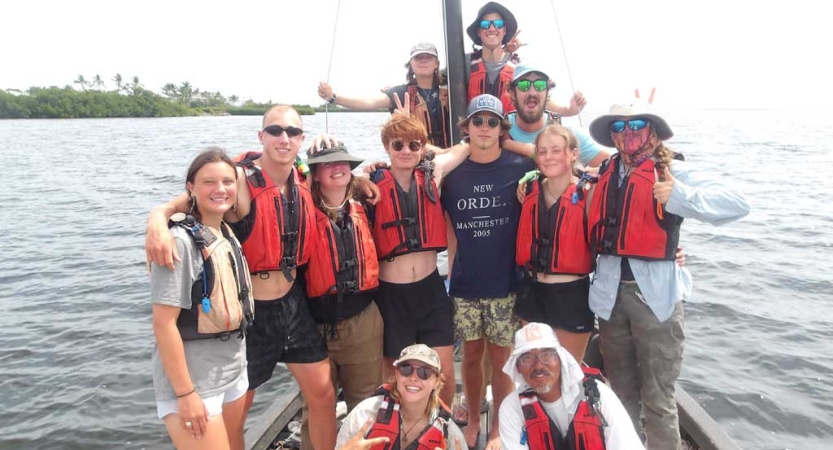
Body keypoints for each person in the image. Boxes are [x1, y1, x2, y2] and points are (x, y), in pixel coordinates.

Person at [145, 105, 375, 450]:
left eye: (293, 132)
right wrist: (157, 219)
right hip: (253, 312)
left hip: (293, 306)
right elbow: (185, 201)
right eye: (276, 131)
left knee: (323, 391)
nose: (284, 138)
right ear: (261, 137)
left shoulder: (301, 175)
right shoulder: (238, 179)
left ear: (301, 139)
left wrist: (365, 176)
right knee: (238, 406)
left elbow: (338, 179)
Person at [586, 100, 750, 449]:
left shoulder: (671, 170)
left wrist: (679, 195)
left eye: (636, 125)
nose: (627, 134)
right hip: (610, 300)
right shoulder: (605, 171)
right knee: (620, 396)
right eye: (618, 127)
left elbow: (737, 203)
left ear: (654, 131)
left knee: (659, 401)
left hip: (655, 301)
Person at [440, 94, 534, 450]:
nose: (484, 127)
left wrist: (516, 146)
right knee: (472, 357)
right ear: (466, 127)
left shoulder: (518, 168)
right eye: (477, 121)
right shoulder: (451, 173)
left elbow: (554, 152)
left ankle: (498, 425)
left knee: (502, 359)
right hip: (465, 282)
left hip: (504, 283)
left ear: (502, 130)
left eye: (492, 122)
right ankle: (474, 417)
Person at [150, 147, 254, 450]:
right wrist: (185, 395)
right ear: (191, 189)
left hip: (232, 370)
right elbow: (163, 323)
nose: (220, 189)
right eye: (209, 182)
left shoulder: (223, 231)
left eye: (227, 181)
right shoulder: (180, 242)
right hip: (195, 382)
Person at [368, 114, 471, 408]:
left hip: (430, 291)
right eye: (397, 144)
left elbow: (464, 148)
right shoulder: (372, 185)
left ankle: (441, 429)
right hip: (391, 296)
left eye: (414, 145)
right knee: (394, 376)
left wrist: (431, 150)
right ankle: (398, 431)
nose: (405, 151)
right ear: (386, 147)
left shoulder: (432, 174)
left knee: (445, 373)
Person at [300, 143, 385, 448]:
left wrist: (365, 176)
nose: (337, 168)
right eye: (326, 164)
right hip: (313, 327)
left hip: (362, 322)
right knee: (315, 406)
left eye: (343, 163)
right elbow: (269, 168)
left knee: (366, 404)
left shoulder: (366, 205)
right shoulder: (299, 210)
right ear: (314, 174)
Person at [514, 125, 595, 363]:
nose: (548, 157)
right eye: (542, 151)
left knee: (569, 371)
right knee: (533, 370)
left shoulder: (589, 192)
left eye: (556, 150)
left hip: (571, 295)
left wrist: (674, 253)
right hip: (532, 291)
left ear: (573, 153)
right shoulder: (528, 189)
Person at [499, 323, 645, 450]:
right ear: (518, 367)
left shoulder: (598, 396)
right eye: (527, 358)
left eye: (547, 354)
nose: (538, 365)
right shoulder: (512, 409)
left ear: (561, 359)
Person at [318, 42, 452, 149]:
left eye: (428, 57)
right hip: (419, 159)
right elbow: (369, 102)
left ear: (436, 64)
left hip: (452, 157)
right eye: (418, 57)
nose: (423, 61)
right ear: (411, 64)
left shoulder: (452, 91)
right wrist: (334, 97)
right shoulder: (401, 93)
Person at [336, 344, 466, 450]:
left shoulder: (449, 433)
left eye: (424, 372)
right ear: (397, 374)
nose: (413, 378)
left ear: (436, 382)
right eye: (406, 369)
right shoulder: (365, 414)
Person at [465, 2, 583, 117]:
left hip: (509, 136)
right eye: (485, 24)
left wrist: (568, 110)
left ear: (504, 31)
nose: (491, 28)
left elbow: (538, 95)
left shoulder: (519, 68)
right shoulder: (463, 63)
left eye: (498, 24)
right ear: (478, 31)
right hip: (473, 134)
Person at [502, 63, 609, 168]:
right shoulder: (497, 129)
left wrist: (584, 177)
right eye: (523, 85)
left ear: (547, 93)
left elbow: (612, 165)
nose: (532, 92)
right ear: (512, 93)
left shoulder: (566, 132)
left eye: (540, 85)